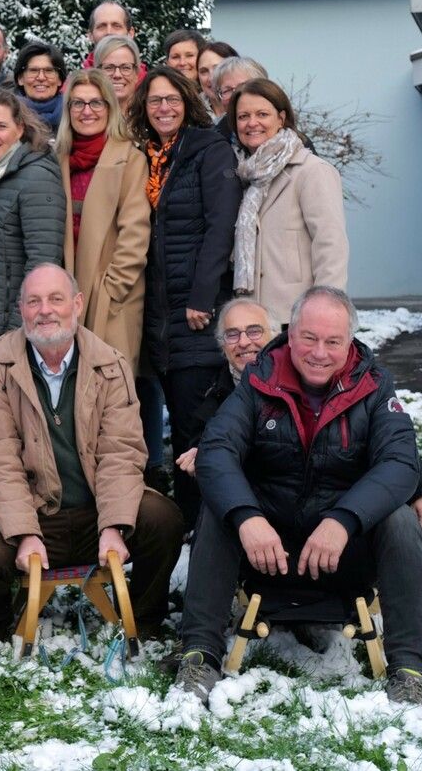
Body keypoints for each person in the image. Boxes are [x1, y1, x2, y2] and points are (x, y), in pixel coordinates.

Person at [177, 297, 422, 687]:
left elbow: (401, 461)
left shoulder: (375, 385)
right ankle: (199, 654)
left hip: (346, 551)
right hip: (269, 552)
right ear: (290, 336)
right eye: (309, 338)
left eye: (332, 342)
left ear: (350, 341)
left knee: (402, 517)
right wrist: (247, 518)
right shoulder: (257, 380)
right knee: (220, 508)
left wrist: (344, 520)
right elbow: (215, 450)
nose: (319, 352)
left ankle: (410, 667)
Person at [0, 264, 185, 640]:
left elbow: (121, 451)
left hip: (98, 512)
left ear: (77, 304)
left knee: (163, 520)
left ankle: (144, 624)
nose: (45, 310)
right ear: (22, 310)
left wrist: (114, 524)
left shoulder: (109, 365)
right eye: (34, 301)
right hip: (36, 514)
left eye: (55, 299)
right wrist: (24, 532)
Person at [128, 65, 240, 526]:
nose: (164, 108)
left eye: (172, 99)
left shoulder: (207, 151)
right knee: (183, 425)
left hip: (195, 313)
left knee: (199, 430)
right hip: (164, 315)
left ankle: (207, 530)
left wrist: (202, 296)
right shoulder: (154, 156)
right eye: (155, 100)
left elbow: (220, 227)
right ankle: (197, 532)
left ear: (188, 103)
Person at [0, 86, 66, 383]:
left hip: (10, 334)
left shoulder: (36, 176)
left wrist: (17, 330)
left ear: (20, 129)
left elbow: (43, 263)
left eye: (0, 126)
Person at [229, 78, 348, 327]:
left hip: (296, 316)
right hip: (253, 319)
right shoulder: (243, 174)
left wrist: (324, 311)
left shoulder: (312, 171)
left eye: (262, 114)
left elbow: (330, 246)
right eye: (243, 116)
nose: (252, 123)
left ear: (281, 118)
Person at [56, 69, 150, 371]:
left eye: (96, 103)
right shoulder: (56, 158)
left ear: (109, 108)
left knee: (111, 387)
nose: (87, 112)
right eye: (78, 103)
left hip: (109, 295)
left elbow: (135, 231)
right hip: (63, 293)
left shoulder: (129, 157)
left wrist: (112, 288)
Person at [210, 56, 268, 143]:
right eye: (227, 90)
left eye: (242, 86)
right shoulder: (211, 140)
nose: (235, 95)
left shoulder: (287, 142)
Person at [13, 41, 67, 133]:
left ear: (60, 80)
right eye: (33, 70)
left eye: (49, 70)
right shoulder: (7, 115)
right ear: (20, 79)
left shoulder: (74, 114)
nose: (41, 77)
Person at [93, 35, 143, 114]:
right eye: (108, 68)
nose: (117, 75)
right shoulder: (86, 118)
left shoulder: (150, 120)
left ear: (136, 74)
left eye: (126, 68)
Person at [196, 41, 238, 118]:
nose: (211, 78)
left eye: (218, 69)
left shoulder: (254, 106)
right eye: (204, 71)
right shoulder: (191, 112)